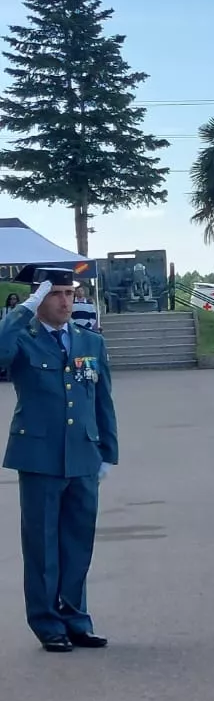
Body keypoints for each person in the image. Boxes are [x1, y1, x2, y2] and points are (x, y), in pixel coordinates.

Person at [0, 266, 117, 652]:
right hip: (39, 456)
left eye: (69, 293)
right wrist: (23, 310)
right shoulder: (23, 339)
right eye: (55, 294)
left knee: (77, 543)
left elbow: (102, 400)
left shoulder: (89, 342)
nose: (66, 301)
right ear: (39, 298)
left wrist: (107, 452)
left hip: (83, 455)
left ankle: (76, 619)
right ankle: (47, 622)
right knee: (43, 545)